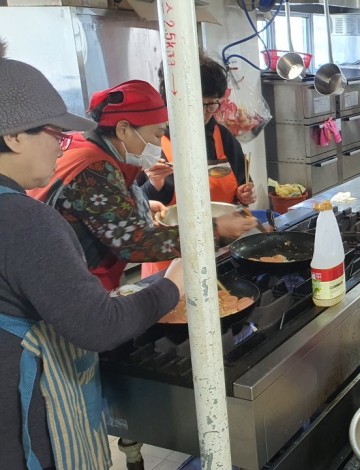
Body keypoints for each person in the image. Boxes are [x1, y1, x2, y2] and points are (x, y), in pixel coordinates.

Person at [0, 40, 184, 470]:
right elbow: (100, 326)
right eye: (54, 134)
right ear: (13, 136)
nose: (61, 146)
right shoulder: (24, 221)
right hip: (25, 417)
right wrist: (173, 285)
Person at [29, 79, 257, 291]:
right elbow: (133, 242)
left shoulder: (94, 150)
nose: (158, 144)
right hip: (69, 288)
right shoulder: (94, 168)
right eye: (157, 135)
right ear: (123, 129)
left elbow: (94, 209)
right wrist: (214, 230)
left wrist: (141, 206)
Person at [138, 53, 256, 278]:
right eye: (199, 104)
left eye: (212, 104)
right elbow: (135, 206)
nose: (205, 113)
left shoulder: (222, 137)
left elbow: (242, 185)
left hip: (221, 256)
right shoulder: (151, 140)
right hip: (169, 264)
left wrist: (244, 194)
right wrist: (154, 184)